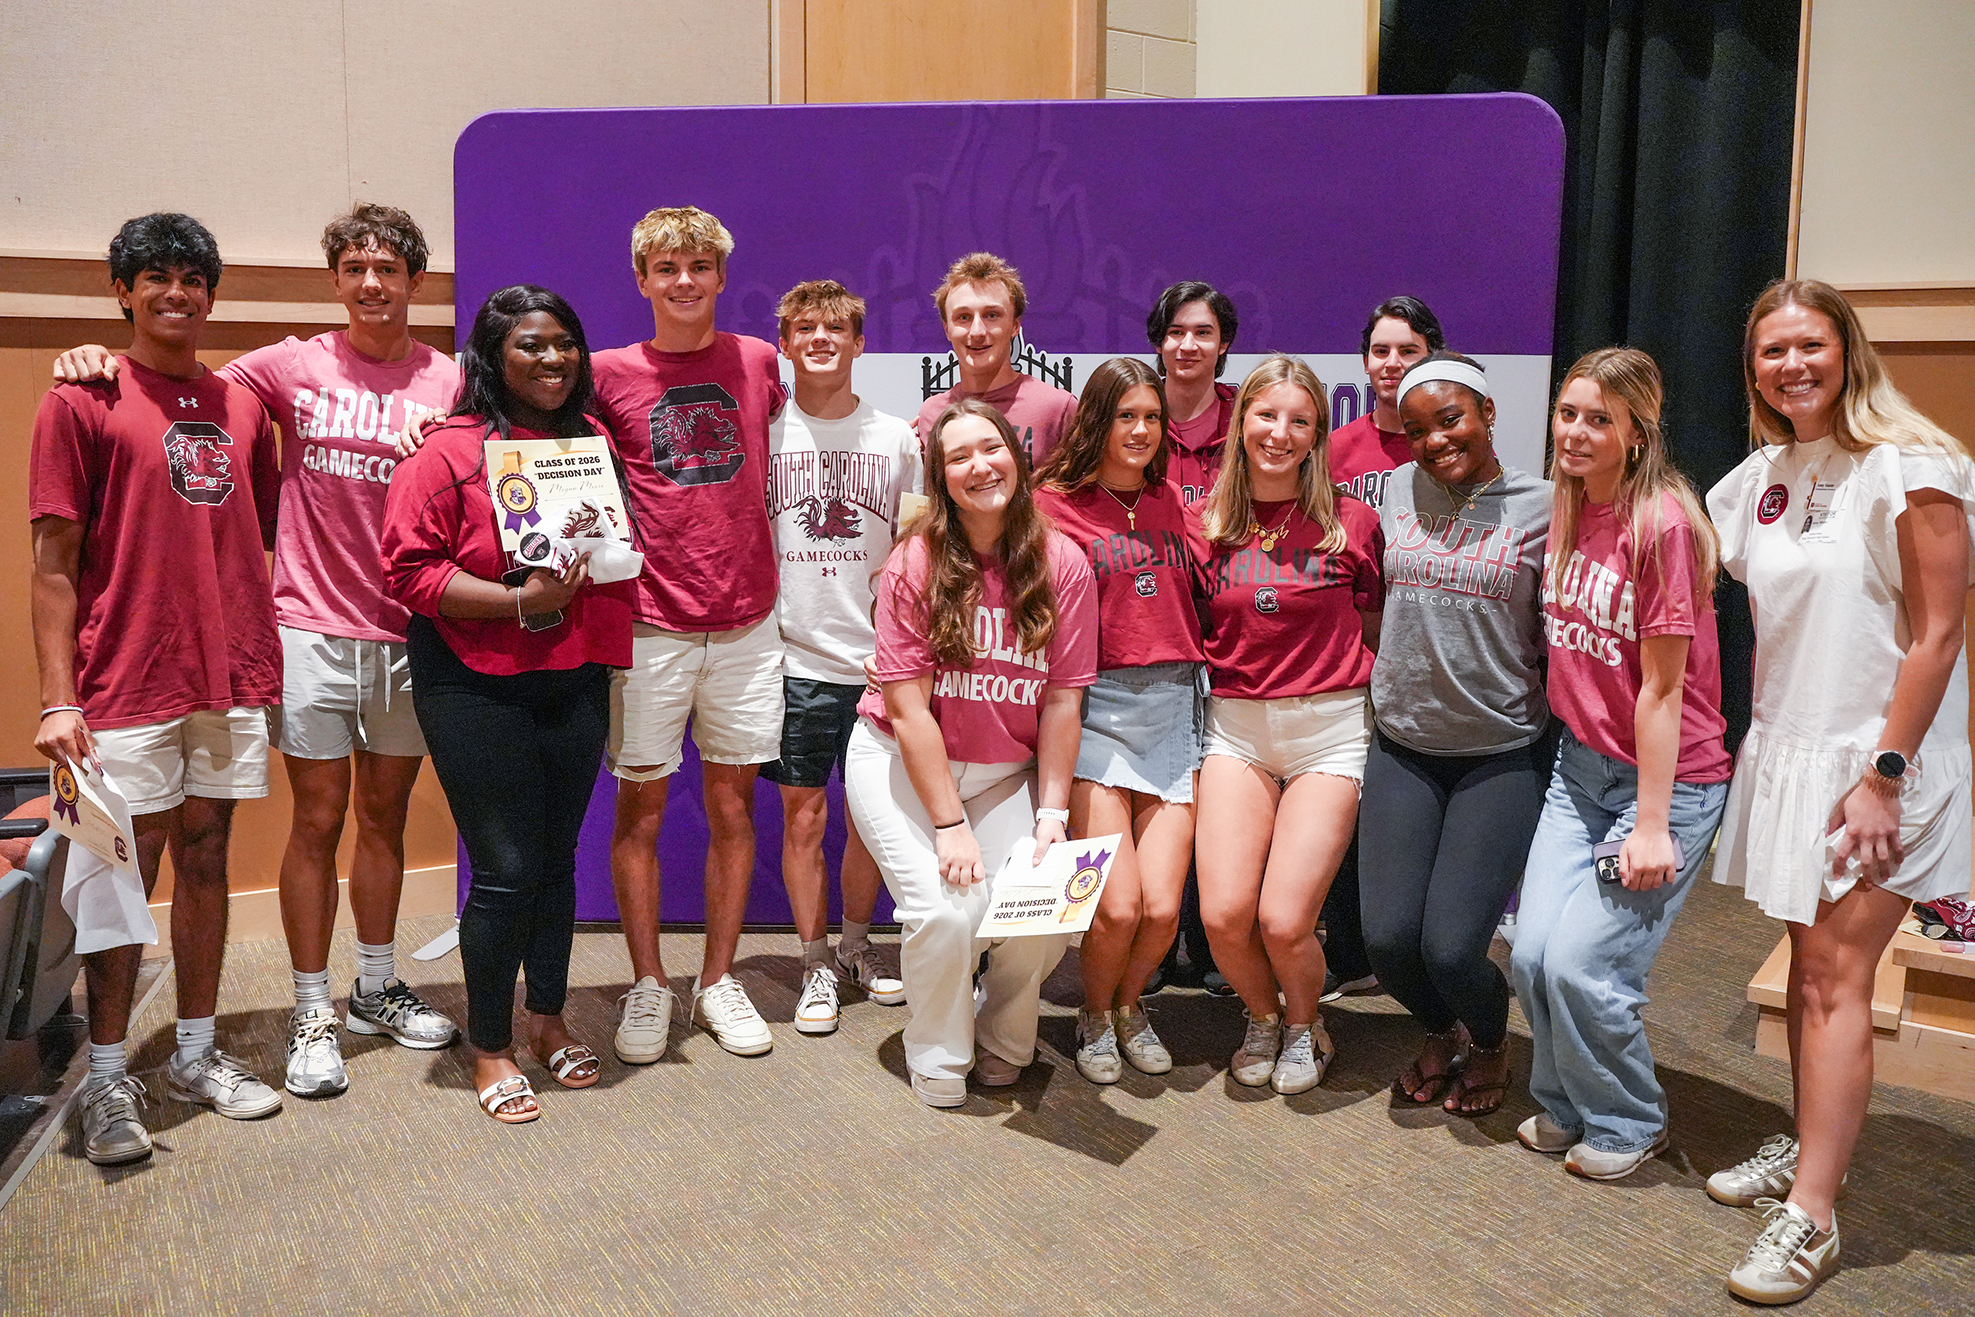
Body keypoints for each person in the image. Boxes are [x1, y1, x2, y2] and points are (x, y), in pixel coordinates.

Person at [52, 203, 460, 1099]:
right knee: (314, 821)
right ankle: (310, 1005)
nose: (371, 282)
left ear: (416, 283)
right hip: (308, 626)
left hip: (407, 631)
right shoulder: (284, 365)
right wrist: (85, 354)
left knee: (382, 820)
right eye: (354, 266)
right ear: (335, 279)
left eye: (389, 269)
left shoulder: (451, 378)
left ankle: (376, 985)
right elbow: (168, 380)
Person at [1705, 280, 1973, 1304]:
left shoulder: (1913, 461)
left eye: (1808, 346)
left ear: (1845, 348)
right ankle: (1816, 1145)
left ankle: (1810, 1214)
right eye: (1770, 351)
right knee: (1813, 971)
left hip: (1879, 766)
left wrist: (1883, 776)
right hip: (1791, 753)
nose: (1790, 366)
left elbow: (1938, 634)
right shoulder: (1764, 473)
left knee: (1832, 981)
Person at [32, 213, 286, 1165]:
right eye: (156, 277)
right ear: (123, 290)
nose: (176, 292)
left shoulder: (241, 403)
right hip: (118, 683)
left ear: (212, 295)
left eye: (193, 277)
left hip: (224, 675)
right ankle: (104, 1078)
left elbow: (252, 526)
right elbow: (52, 564)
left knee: (209, 858)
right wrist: (58, 698)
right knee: (113, 878)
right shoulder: (82, 399)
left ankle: (192, 1051)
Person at [380, 285, 633, 1123]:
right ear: (490, 358)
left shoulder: (590, 440)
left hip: (574, 672)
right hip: (472, 679)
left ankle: (547, 1016)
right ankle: (489, 1045)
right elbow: (408, 575)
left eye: (564, 342)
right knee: (507, 868)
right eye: (530, 345)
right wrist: (518, 600)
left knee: (557, 860)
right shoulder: (445, 452)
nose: (553, 359)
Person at [1509, 348, 1731, 1182]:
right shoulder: (1569, 504)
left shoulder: (1661, 523)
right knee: (1530, 955)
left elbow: (1664, 692)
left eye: (1598, 419)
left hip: (1663, 784)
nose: (1574, 431)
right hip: (1580, 768)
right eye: (1568, 413)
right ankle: (1566, 1103)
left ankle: (1628, 1117)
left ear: (1636, 434)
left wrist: (1649, 823)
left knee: (1585, 965)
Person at [845, 400, 1098, 1108]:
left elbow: (1061, 701)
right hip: (899, 757)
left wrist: (1051, 812)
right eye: (958, 458)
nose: (979, 466)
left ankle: (1004, 1035)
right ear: (940, 478)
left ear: (1016, 457)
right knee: (946, 911)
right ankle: (937, 1052)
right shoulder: (915, 562)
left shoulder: (1061, 562)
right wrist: (949, 823)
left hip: (1003, 770)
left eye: (990, 449)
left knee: (1036, 907)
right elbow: (906, 708)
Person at [592, 207, 789, 1060]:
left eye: (699, 266)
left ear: (719, 276)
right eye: (666, 267)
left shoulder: (758, 361)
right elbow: (499, 407)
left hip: (747, 622)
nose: (683, 281)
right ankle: (647, 981)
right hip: (649, 625)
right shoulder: (604, 372)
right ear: (641, 279)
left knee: (732, 808)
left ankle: (716, 979)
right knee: (639, 808)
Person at [1358, 351, 1553, 1118]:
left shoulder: (1543, 505)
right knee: (1387, 941)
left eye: (1451, 419)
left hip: (1498, 752)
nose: (1436, 440)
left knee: (1449, 945)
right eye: (1416, 430)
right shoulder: (1395, 494)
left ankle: (1489, 1038)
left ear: (1486, 413)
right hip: (1403, 744)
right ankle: (1438, 1027)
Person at [1188, 356, 1383, 1094]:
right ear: (1241, 425)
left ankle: (1306, 1024)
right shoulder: (1204, 523)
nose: (1279, 432)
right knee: (1223, 915)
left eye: (1298, 420)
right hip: (1235, 729)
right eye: (1266, 416)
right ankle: (1263, 1014)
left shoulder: (1350, 522)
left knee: (1282, 920)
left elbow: (1373, 623)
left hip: (1327, 730)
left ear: (1316, 435)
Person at [1033, 358, 1202, 1082]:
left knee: (1162, 909)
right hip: (1091, 708)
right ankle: (1093, 1016)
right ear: (1094, 421)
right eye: (1124, 415)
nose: (1139, 430)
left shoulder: (1176, 502)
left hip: (1173, 706)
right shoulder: (1049, 504)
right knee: (1116, 902)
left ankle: (1131, 1005)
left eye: (1151, 417)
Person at [763, 280, 916, 1032]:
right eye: (804, 328)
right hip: (791, 662)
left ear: (860, 343)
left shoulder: (896, 437)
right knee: (802, 819)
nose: (821, 338)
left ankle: (858, 945)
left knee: (869, 820)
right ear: (785, 343)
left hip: (876, 665)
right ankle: (814, 960)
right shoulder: (764, 435)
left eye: (836, 328)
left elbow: (919, 547)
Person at [1315, 295, 1448, 1006]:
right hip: (1353, 653)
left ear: (1434, 355)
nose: (1392, 363)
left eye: (1407, 350)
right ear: (1363, 362)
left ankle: (1413, 944)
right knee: (1343, 802)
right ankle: (1348, 948)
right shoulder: (1336, 451)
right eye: (1380, 351)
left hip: (1429, 650)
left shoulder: (1447, 444)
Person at [914, 252, 1077, 468]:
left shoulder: (1058, 409)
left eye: (991, 315)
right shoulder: (932, 414)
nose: (977, 331)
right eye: (963, 317)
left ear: (1015, 326)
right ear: (947, 329)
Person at [1146, 281, 1239, 508]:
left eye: (1202, 333)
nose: (1188, 346)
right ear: (1159, 343)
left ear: (1223, 343)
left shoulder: (1247, 424)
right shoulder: (1130, 423)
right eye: (1176, 332)